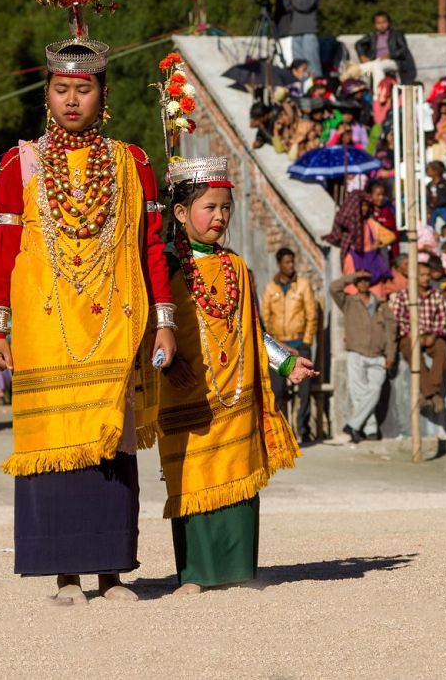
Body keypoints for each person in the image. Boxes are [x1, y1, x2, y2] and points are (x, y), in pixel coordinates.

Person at [0, 0, 177, 603]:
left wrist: (167, 320)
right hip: (44, 328)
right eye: (61, 89)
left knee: (112, 446)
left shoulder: (133, 164)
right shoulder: (22, 164)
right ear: (47, 92)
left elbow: (152, 246)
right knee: (58, 444)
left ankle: (113, 569)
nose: (72, 99)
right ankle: (64, 571)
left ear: (103, 92)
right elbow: (5, 247)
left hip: (117, 322)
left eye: (84, 88)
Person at [157, 156, 311, 596]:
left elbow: (252, 330)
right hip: (185, 394)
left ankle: (238, 568)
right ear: (182, 213)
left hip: (235, 392)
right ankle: (197, 574)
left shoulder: (237, 267)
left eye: (226, 208)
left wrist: (285, 361)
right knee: (194, 481)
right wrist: (166, 365)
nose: (220, 217)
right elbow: (149, 329)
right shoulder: (165, 271)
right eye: (210, 207)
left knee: (238, 477)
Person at [330, 270, 396, 443]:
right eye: (360, 281)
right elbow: (333, 288)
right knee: (359, 394)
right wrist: (352, 276)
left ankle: (352, 425)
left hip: (377, 355)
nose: (364, 284)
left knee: (374, 390)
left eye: (367, 280)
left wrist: (390, 354)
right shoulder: (349, 302)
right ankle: (371, 430)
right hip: (356, 353)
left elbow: (391, 332)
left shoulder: (381, 305)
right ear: (356, 283)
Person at [261, 247, 317, 444]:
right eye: (286, 262)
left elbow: (311, 315)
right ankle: (285, 431)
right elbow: (265, 318)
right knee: (278, 391)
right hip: (279, 347)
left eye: (292, 262)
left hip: (300, 342)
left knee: (305, 391)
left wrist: (307, 342)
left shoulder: (303, 286)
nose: (290, 266)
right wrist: (275, 343)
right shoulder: (270, 288)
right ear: (279, 264)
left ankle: (304, 429)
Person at [392, 262, 446, 417]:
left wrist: (434, 335)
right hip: (410, 335)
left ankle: (432, 391)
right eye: (422, 275)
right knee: (413, 354)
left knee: (441, 350)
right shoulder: (404, 295)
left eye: (427, 275)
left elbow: (443, 317)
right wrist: (413, 334)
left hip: (431, 335)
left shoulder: (436, 295)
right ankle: (431, 394)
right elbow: (397, 319)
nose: (425, 279)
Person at [282, 0, 322, 78]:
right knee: (298, 66)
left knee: (312, 64)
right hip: (296, 31)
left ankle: (317, 87)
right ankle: (301, 89)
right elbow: (288, 7)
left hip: (308, 31)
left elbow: (304, 6)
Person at [355, 10, 415, 85]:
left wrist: (390, 55)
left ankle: (379, 94)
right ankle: (366, 93)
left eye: (384, 22)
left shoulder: (397, 34)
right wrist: (362, 56)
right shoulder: (372, 36)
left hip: (394, 61)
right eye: (378, 23)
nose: (381, 25)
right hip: (376, 61)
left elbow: (403, 49)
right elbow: (358, 44)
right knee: (361, 70)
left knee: (378, 67)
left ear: (389, 22)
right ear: (375, 24)